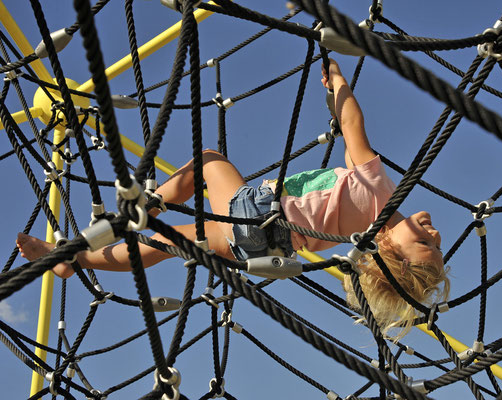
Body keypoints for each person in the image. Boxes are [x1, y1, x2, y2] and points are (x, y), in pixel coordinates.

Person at [17, 59, 448, 337]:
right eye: (436, 243)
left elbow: (354, 125)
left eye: (425, 244)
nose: (435, 233)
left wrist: (337, 82)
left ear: (391, 248)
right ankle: (72, 259)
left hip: (259, 214)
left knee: (206, 160)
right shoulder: (360, 244)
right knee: (166, 245)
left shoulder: (382, 194)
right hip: (266, 251)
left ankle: (147, 204)